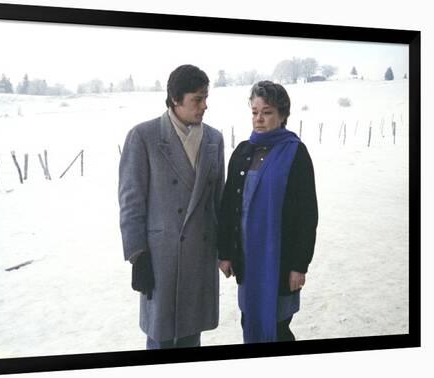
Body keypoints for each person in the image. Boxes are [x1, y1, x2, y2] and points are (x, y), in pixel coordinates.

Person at [118, 64, 225, 349]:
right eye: (197, 99)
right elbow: (131, 202)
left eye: (206, 97)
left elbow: (219, 203)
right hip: (160, 259)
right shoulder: (144, 136)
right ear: (176, 99)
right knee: (161, 338)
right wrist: (137, 256)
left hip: (199, 255)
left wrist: (226, 250)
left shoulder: (214, 139)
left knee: (192, 337)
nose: (205, 105)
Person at [217, 81, 318, 343]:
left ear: (283, 115)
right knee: (248, 319)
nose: (259, 119)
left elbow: (308, 215)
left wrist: (299, 265)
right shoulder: (242, 152)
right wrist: (225, 253)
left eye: (267, 112)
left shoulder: (296, 153)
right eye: (254, 112)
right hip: (248, 260)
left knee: (279, 327)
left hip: (280, 261)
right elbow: (229, 207)